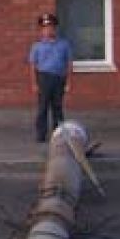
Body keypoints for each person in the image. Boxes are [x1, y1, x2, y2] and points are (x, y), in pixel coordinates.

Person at [28, 12, 73, 143]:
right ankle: (41, 135)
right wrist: (34, 83)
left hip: (59, 78)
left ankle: (58, 134)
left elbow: (68, 63)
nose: (48, 31)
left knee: (57, 107)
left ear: (55, 29)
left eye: (51, 28)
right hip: (44, 78)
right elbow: (32, 65)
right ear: (41, 30)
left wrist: (68, 82)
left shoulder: (63, 45)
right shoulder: (37, 46)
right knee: (42, 107)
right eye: (45, 28)